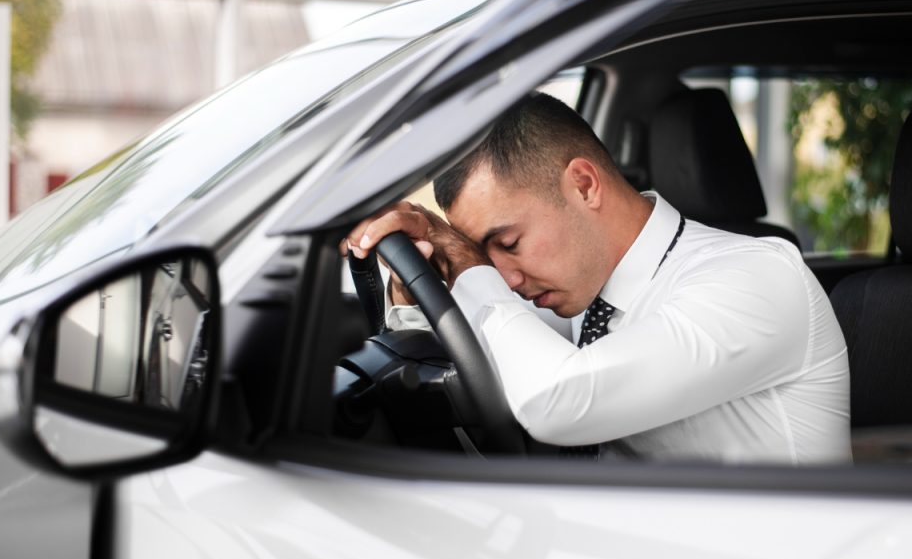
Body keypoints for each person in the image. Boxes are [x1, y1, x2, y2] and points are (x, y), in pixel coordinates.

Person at [343, 91, 850, 464]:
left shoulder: (755, 279)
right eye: (488, 252)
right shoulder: (581, 294)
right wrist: (423, 285)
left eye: (509, 243)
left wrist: (472, 268)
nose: (509, 278)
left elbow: (558, 400)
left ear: (584, 185)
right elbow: (484, 349)